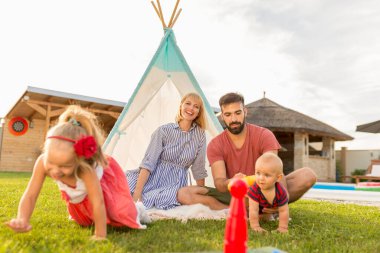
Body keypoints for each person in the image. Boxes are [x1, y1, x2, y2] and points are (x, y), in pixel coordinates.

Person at [6, 105, 147, 240]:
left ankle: (138, 210)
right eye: (51, 162)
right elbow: (30, 195)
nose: (55, 170)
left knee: (119, 214)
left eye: (65, 166)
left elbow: (98, 202)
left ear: (80, 160)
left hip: (102, 194)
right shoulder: (42, 162)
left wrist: (100, 235)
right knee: (84, 222)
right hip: (79, 202)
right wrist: (22, 219)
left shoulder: (86, 171)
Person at [178, 92, 317, 210]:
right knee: (184, 193)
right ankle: (242, 211)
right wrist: (231, 182)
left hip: (264, 190)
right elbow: (220, 183)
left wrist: (272, 195)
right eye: (228, 114)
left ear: (245, 111)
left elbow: (274, 172)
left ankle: (271, 207)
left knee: (307, 175)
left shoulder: (264, 135)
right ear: (222, 117)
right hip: (235, 194)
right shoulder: (216, 144)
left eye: (237, 113)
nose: (233, 119)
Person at [127, 93, 208, 210]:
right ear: (181, 106)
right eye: (188, 103)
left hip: (175, 183)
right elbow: (148, 162)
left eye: (196, 106)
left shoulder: (200, 134)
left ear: (199, 111)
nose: (191, 108)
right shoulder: (163, 131)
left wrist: (201, 196)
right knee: (125, 188)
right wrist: (137, 192)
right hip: (152, 177)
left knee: (161, 198)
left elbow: (199, 167)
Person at [248, 153, 289, 233]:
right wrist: (255, 226)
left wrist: (283, 227)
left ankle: (267, 216)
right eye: (258, 173)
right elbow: (253, 210)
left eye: (267, 175)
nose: (261, 178)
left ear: (278, 178)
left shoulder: (281, 191)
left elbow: (284, 211)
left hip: (269, 210)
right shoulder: (255, 189)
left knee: (271, 216)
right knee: (249, 211)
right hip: (254, 209)